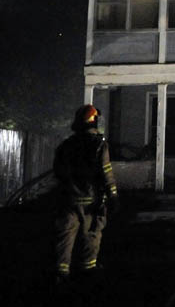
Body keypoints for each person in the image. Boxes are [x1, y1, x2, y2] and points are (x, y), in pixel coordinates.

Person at [53, 104, 119, 284]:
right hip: (91, 203)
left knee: (65, 238)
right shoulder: (99, 145)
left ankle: (61, 274)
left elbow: (57, 173)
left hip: (68, 201)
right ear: (94, 121)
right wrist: (113, 196)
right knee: (91, 235)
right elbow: (106, 173)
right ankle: (88, 273)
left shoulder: (65, 146)